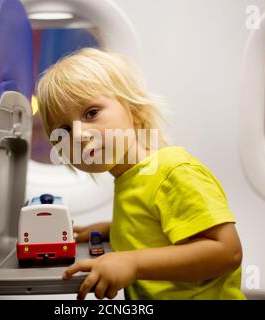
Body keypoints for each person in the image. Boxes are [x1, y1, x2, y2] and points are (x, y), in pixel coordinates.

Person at [35, 48, 245, 300]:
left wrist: (132, 263)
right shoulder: (130, 177)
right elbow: (158, 230)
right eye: (65, 130)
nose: (79, 135)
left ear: (135, 111)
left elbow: (226, 252)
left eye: (91, 113)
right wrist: (114, 230)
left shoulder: (173, 172)